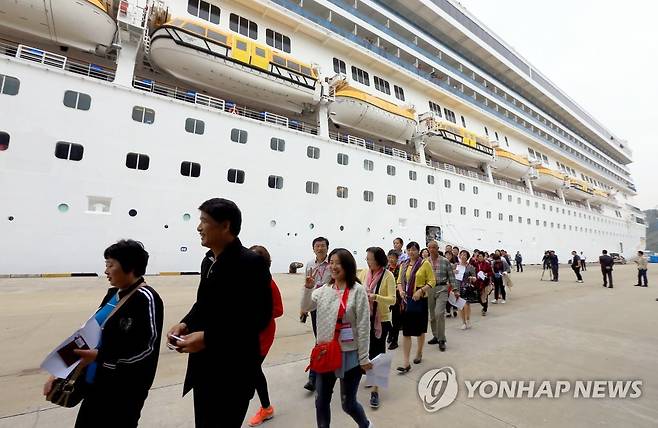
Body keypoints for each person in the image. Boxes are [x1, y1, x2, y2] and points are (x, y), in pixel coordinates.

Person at [167, 198, 272, 428]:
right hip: (204, 367)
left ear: (225, 226)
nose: (198, 227)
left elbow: (259, 317)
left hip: (233, 371)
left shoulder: (251, 264)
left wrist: (208, 338)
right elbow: (202, 304)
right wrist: (185, 324)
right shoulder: (209, 261)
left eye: (204, 221)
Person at [43, 240, 164, 428]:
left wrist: (101, 357)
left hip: (124, 390)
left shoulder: (146, 299)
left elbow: (146, 348)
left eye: (110, 265)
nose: (106, 271)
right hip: (95, 383)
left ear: (129, 266)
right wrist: (59, 370)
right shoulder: (113, 295)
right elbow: (86, 335)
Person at [301, 248, 373, 428]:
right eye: (331, 262)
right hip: (326, 354)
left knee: (348, 404)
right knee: (321, 401)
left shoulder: (358, 291)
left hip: (350, 356)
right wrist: (308, 288)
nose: (333, 266)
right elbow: (307, 306)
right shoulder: (323, 290)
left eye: (337, 263)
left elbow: (364, 326)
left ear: (348, 266)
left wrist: (364, 357)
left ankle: (365, 424)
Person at [247, 246, 284, 427]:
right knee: (250, 370)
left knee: (253, 369)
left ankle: (266, 408)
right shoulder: (244, 281)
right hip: (245, 334)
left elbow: (279, 310)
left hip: (262, 335)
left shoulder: (269, 284)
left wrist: (259, 314)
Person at [358, 247, 396, 409]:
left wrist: (376, 297)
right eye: (366, 258)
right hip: (365, 319)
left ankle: (375, 391)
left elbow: (392, 300)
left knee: (379, 354)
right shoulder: (364, 273)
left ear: (378, 260)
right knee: (366, 352)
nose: (367, 261)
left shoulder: (388, 276)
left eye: (370, 259)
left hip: (382, 320)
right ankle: (370, 377)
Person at [396, 242, 436, 372]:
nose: (411, 252)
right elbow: (399, 281)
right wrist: (401, 290)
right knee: (406, 332)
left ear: (418, 251)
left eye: (413, 250)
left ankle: (419, 352)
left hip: (420, 301)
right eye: (409, 250)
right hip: (407, 301)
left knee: (419, 330)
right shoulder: (404, 264)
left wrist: (421, 291)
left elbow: (432, 281)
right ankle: (406, 362)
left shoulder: (425, 264)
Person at [301, 237, 332, 392]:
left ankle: (316, 376)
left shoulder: (332, 264)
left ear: (327, 248)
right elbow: (306, 286)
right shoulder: (309, 265)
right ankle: (315, 375)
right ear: (313, 248)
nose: (320, 248)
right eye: (317, 246)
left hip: (329, 307)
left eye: (322, 246)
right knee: (318, 340)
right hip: (314, 306)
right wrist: (303, 307)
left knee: (324, 341)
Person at [426, 241, 455, 351]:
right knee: (432, 315)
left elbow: (451, 276)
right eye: (430, 247)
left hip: (442, 288)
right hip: (429, 289)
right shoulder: (425, 262)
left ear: (438, 248)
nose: (432, 249)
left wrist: (455, 290)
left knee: (439, 313)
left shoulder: (445, 261)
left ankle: (442, 339)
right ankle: (436, 336)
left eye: (434, 247)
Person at [453, 250, 477, 329]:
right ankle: (463, 322)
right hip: (458, 287)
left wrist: (472, 278)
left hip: (467, 288)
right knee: (460, 306)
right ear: (459, 256)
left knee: (466, 304)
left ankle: (468, 319)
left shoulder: (470, 267)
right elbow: (450, 275)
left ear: (467, 257)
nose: (463, 256)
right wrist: (453, 272)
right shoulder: (456, 265)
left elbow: (475, 277)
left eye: (465, 255)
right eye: (461, 255)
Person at [386, 250, 402, 350]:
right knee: (386, 318)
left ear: (397, 258)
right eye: (389, 257)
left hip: (397, 297)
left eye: (393, 257)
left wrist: (397, 288)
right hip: (386, 296)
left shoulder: (400, 268)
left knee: (396, 319)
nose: (391, 259)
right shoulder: (386, 269)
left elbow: (402, 282)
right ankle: (390, 333)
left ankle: (395, 340)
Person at [473, 252, 493, 316]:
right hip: (477, 283)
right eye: (478, 256)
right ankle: (483, 305)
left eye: (481, 256)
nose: (479, 258)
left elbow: (491, 272)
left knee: (484, 296)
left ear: (484, 257)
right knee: (479, 297)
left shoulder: (487, 264)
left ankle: (484, 309)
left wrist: (486, 274)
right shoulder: (475, 264)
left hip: (485, 282)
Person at [444, 251, 458, 318]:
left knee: (453, 295)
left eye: (449, 255)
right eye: (446, 255)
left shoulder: (455, 264)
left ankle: (455, 309)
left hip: (453, 282)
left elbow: (458, 273)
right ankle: (448, 311)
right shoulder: (443, 264)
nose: (448, 256)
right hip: (446, 282)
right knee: (447, 297)